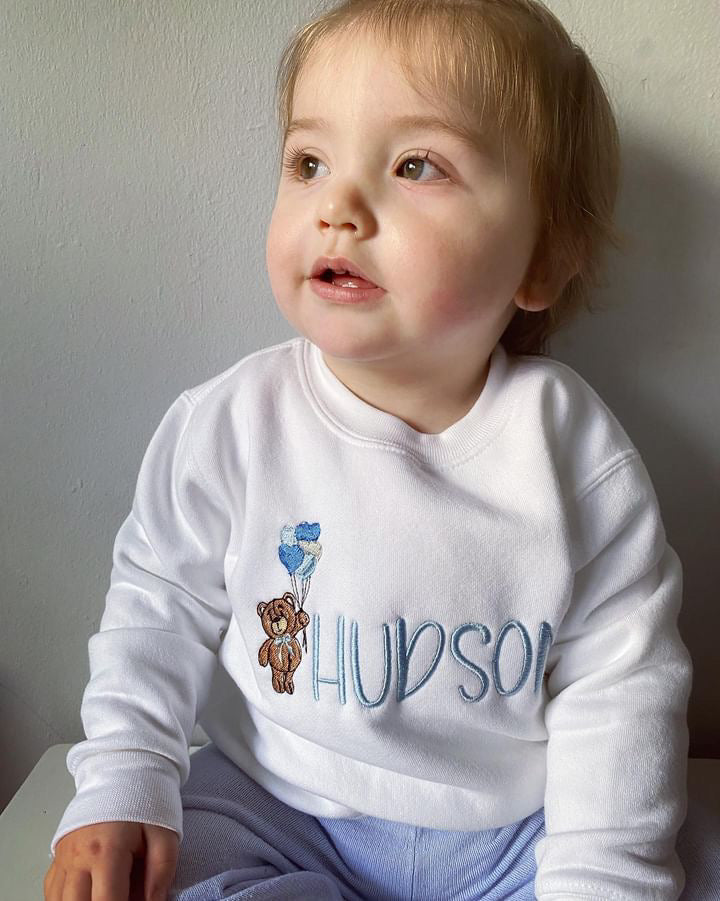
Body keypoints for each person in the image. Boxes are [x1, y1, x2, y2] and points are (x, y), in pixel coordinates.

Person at [44, 1, 696, 899]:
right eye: (309, 162)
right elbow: (157, 604)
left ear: (543, 257)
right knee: (178, 873)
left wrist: (603, 872)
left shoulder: (573, 454)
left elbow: (622, 688)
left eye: (415, 164)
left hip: (508, 833)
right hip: (276, 807)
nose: (338, 207)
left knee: (678, 862)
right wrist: (124, 775)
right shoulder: (237, 422)